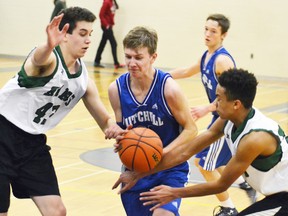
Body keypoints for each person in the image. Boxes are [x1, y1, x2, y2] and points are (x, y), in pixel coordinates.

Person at [0, 7, 124, 215]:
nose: (88, 41)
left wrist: (114, 129)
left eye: (90, 35)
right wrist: (48, 44)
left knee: (56, 211)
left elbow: (104, 120)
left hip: (32, 143)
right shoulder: (49, 60)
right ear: (65, 35)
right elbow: (39, 60)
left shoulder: (83, 78)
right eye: (82, 34)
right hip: (3, 134)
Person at [139, 69, 288, 215]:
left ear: (236, 104)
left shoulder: (254, 138)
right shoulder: (230, 118)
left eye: (219, 98)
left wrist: (174, 193)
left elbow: (221, 184)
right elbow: (186, 151)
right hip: (276, 195)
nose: (215, 104)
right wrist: (140, 173)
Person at [169, 13, 256, 215]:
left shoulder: (222, 61)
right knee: (216, 161)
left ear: (223, 35)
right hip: (220, 118)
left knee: (203, 164)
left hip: (228, 120)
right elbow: (187, 71)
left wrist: (206, 108)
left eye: (213, 31)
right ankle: (244, 183)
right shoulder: (206, 55)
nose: (208, 34)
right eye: (206, 29)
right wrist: (158, 75)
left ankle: (229, 209)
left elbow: (233, 95)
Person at [108, 26, 198, 216]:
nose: (132, 63)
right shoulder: (116, 90)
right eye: (128, 56)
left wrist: (160, 153)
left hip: (169, 168)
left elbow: (191, 130)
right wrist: (120, 138)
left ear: (153, 57)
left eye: (138, 57)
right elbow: (124, 132)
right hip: (136, 170)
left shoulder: (169, 89)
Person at [93, 0, 124, 69]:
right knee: (114, 44)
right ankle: (116, 63)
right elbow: (101, 14)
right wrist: (106, 25)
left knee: (102, 43)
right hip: (106, 26)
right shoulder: (107, 2)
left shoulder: (112, 2)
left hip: (109, 26)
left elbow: (115, 9)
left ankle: (96, 61)